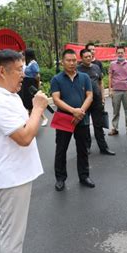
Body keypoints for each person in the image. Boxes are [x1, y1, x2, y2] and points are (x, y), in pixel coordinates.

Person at [0, 49, 48, 253]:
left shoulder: (9, 96)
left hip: (17, 174)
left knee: (12, 233)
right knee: (12, 236)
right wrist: (37, 108)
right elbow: (25, 137)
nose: (24, 74)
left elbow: (26, 124)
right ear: (2, 71)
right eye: (19, 69)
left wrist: (35, 115)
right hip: (11, 177)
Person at [51, 49, 95, 191]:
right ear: (63, 62)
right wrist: (73, 111)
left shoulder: (84, 77)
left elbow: (89, 96)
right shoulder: (57, 79)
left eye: (74, 60)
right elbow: (56, 99)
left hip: (82, 119)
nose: (71, 63)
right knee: (61, 149)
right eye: (68, 60)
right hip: (64, 119)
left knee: (82, 149)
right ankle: (60, 178)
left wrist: (80, 111)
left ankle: (84, 176)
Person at [77, 48, 115, 155]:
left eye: (90, 56)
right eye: (86, 57)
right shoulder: (77, 69)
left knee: (98, 125)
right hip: (83, 102)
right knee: (85, 126)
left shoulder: (96, 67)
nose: (88, 58)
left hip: (97, 101)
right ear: (81, 58)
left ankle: (103, 148)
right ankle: (87, 147)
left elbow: (100, 83)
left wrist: (103, 97)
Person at [108, 46, 127, 136]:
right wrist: (110, 89)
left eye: (121, 52)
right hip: (116, 90)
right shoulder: (112, 64)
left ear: (124, 53)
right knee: (116, 111)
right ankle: (115, 128)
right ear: (116, 53)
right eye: (118, 52)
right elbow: (110, 77)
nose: (120, 54)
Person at [19, 49, 48, 126]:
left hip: (31, 84)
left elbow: (37, 76)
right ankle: (29, 123)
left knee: (32, 103)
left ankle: (34, 122)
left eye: (24, 54)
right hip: (26, 84)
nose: (24, 56)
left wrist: (37, 86)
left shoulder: (33, 63)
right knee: (29, 104)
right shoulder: (28, 63)